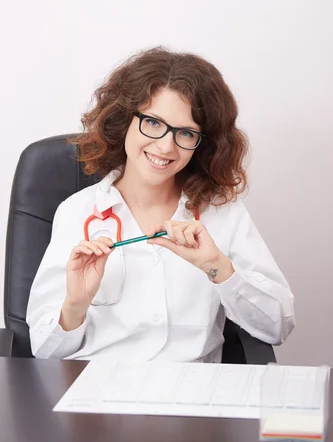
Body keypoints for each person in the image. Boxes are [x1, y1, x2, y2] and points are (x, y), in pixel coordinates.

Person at [27, 47, 295, 361]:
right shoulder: (77, 213)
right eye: (153, 123)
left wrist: (219, 268)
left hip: (190, 397)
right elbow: (43, 352)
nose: (166, 146)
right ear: (125, 119)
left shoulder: (221, 212)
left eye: (185, 133)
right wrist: (75, 305)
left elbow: (277, 326)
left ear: (202, 143)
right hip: (98, 394)